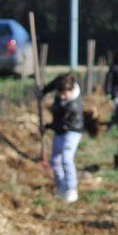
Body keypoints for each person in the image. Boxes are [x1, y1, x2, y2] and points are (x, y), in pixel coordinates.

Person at [40, 71, 84, 203]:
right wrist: (43, 92)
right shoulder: (62, 86)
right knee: (55, 161)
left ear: (71, 90)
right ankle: (61, 188)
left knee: (66, 159)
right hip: (59, 131)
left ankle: (71, 189)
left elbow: (62, 123)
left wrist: (47, 127)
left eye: (64, 94)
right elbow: (56, 82)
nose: (61, 96)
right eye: (60, 94)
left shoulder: (74, 106)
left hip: (71, 131)